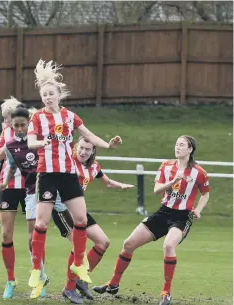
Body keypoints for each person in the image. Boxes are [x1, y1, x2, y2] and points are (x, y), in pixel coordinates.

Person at [27, 59, 122, 291]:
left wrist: (108, 145)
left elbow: (89, 135)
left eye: (51, 93)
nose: (48, 97)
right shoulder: (38, 117)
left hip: (68, 174)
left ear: (59, 94)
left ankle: (79, 264)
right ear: (42, 99)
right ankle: (36, 270)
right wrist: (43, 141)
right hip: (47, 173)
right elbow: (30, 143)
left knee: (80, 219)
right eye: (45, 95)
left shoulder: (70, 116)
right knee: (41, 222)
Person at [93, 136, 210, 305]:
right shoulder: (166, 166)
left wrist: (198, 209)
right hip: (163, 213)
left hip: (182, 217)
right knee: (128, 244)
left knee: (169, 245)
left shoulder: (199, 172)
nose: (177, 147)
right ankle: (113, 284)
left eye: (182, 145)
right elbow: (156, 190)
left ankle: (166, 293)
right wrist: (173, 181)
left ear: (190, 149)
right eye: (176, 144)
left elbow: (205, 193)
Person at [52, 136, 134, 303]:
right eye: (81, 147)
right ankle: (69, 288)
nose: (83, 152)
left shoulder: (94, 167)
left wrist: (121, 185)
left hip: (80, 211)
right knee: (78, 246)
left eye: (87, 149)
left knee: (103, 242)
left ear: (93, 151)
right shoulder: (67, 161)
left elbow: (108, 182)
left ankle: (80, 279)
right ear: (75, 147)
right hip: (62, 209)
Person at [0, 106, 49, 300]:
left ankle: (40, 278)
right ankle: (11, 280)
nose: (18, 127)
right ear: (9, 121)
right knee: (5, 234)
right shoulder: (6, 136)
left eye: (22, 124)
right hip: (9, 186)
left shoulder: (37, 134)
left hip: (31, 187)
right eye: (13, 122)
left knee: (34, 236)